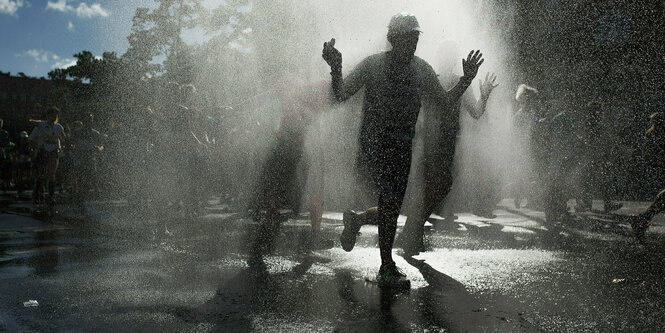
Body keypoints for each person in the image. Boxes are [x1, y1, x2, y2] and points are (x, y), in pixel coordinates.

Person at [322, 13, 484, 287]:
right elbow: (340, 94)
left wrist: (467, 80)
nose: (412, 42)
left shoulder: (421, 69)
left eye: (415, 37)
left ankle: (358, 223)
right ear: (392, 39)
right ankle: (386, 265)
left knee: (392, 205)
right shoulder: (373, 65)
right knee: (390, 201)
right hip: (375, 145)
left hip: (402, 146)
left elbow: (444, 103)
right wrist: (336, 68)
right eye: (407, 37)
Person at [398, 41, 498, 255]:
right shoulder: (431, 78)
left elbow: (476, 112)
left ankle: (410, 233)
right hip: (429, 143)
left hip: (448, 143)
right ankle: (410, 235)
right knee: (434, 187)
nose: (451, 60)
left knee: (437, 187)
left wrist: (485, 95)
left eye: (452, 56)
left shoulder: (459, 81)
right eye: (447, 55)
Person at [574, 101, 622, 212]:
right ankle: (587, 204)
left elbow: (604, 141)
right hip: (589, 157)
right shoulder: (588, 124)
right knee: (589, 181)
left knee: (601, 180)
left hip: (597, 157)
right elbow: (583, 139)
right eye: (598, 110)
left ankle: (603, 203)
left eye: (600, 111)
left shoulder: (597, 124)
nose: (600, 113)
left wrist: (606, 154)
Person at [632, 112, 665, 242]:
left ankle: (641, 220)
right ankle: (641, 220)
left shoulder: (652, 134)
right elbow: (650, 156)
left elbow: (648, 157)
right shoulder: (655, 135)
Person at [29, 107, 66, 205]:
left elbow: (64, 138)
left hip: (53, 153)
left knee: (51, 174)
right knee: (42, 174)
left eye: (56, 115)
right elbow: (31, 138)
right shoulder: (41, 125)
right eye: (52, 115)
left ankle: (51, 196)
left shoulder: (59, 127)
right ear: (47, 116)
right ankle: (38, 193)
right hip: (43, 151)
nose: (54, 117)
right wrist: (33, 149)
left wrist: (65, 142)